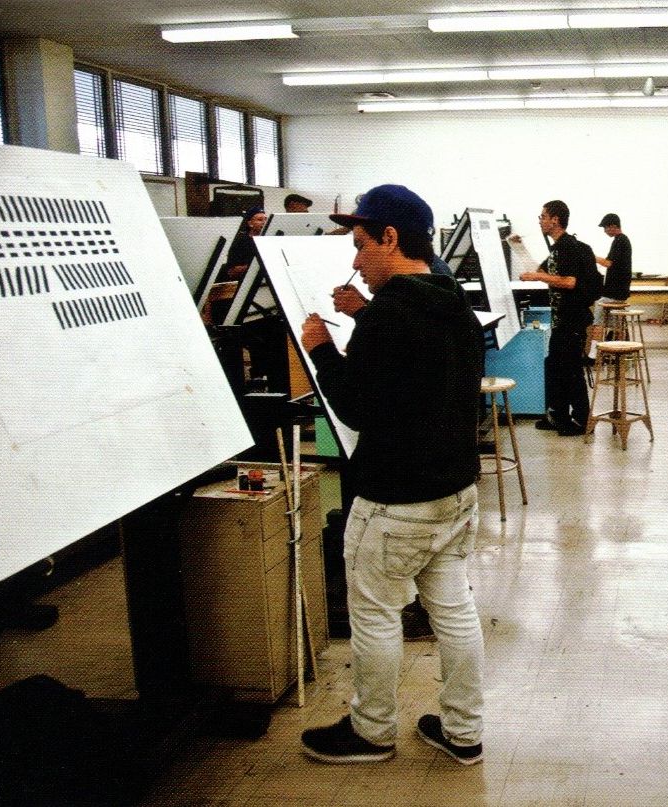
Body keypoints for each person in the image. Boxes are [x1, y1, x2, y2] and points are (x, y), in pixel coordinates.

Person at [298, 184, 487, 765]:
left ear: (389, 237)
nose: (354, 261)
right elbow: (419, 368)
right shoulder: (453, 301)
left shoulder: (387, 320)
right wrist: (368, 313)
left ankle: (372, 731)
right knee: (453, 610)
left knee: (376, 613)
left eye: (360, 245)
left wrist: (321, 349)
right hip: (455, 492)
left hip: (395, 501)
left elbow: (355, 409)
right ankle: (463, 732)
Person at [519, 200, 602, 436]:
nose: (540, 220)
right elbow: (542, 272)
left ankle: (582, 421)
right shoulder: (557, 248)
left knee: (571, 370)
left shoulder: (568, 247)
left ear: (555, 219)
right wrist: (520, 249)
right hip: (562, 319)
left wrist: (537, 278)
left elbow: (569, 281)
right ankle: (558, 415)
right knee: (554, 366)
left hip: (572, 319)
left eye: (543, 216)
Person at [591, 212, 632, 336]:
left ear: (613, 226)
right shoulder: (621, 240)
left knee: (597, 312)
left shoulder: (620, 241)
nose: (604, 231)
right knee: (612, 320)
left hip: (616, 293)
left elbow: (608, 263)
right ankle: (614, 339)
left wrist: (590, 256)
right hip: (618, 291)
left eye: (605, 227)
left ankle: (593, 350)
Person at [219, 206, 267, 281]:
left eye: (266, 219)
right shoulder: (240, 242)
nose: (264, 223)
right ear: (250, 223)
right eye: (260, 220)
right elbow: (232, 272)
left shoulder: (266, 241)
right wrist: (256, 265)